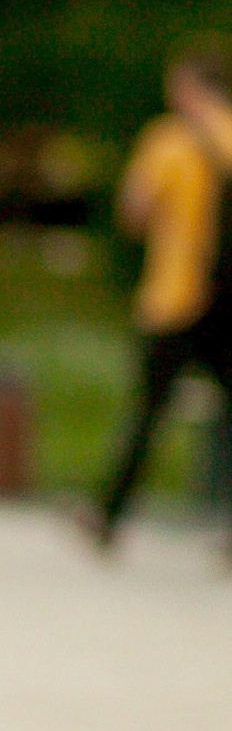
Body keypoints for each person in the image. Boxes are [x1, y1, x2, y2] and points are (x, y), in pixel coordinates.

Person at [86, 39, 232, 548]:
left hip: (174, 296)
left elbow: (134, 213)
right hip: (226, 301)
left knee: (149, 412)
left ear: (189, 86)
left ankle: (110, 514)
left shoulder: (168, 140)